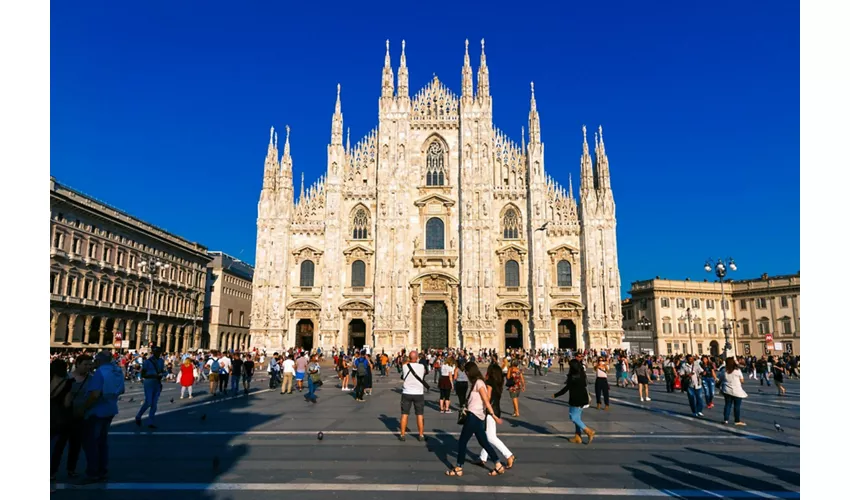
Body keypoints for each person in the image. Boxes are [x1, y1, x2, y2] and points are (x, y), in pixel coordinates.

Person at [445, 362, 506, 477]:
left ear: (470, 372)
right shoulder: (476, 383)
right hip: (477, 417)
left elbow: (486, 400)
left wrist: (493, 415)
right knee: (484, 443)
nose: (466, 374)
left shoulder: (479, 383)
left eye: (467, 372)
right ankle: (498, 464)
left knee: (462, 442)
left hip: (474, 417)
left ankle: (458, 467)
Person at [79, 351, 125, 484]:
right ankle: (102, 470)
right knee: (102, 442)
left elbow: (94, 394)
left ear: (99, 361)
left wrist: (84, 408)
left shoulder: (100, 372)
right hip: (111, 409)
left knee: (91, 443)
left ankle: (92, 472)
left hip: (97, 410)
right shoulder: (117, 370)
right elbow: (122, 390)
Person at [473, 363, 516, 469]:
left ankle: (509, 455)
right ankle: (483, 458)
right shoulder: (498, 383)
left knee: (491, 437)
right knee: (487, 435)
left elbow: (487, 398)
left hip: (490, 411)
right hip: (496, 410)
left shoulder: (489, 383)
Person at [553, 359, 595, 444]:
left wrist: (556, 395)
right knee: (578, 418)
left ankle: (588, 431)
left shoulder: (572, 376)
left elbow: (566, 388)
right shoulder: (582, 373)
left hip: (575, 399)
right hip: (583, 398)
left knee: (573, 417)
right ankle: (577, 437)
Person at [399, 351, 427, 442]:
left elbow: (404, 367)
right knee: (419, 414)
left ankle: (402, 434)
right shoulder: (421, 367)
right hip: (418, 393)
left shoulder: (404, 366)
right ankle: (421, 435)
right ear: (417, 358)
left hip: (406, 393)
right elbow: (424, 373)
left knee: (404, 414)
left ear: (409, 358)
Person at [135, 346, 165, 429]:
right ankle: (138, 416)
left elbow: (161, 371)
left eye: (159, 352)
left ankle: (150, 422)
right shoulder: (148, 362)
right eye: (157, 352)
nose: (158, 354)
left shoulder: (161, 361)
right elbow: (143, 374)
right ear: (153, 352)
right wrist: (154, 375)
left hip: (157, 382)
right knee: (148, 402)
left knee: (154, 403)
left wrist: (161, 375)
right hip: (149, 382)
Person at [721, 357, 747, 425]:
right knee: (737, 406)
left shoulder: (724, 370)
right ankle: (737, 420)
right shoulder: (737, 370)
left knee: (727, 405)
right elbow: (742, 381)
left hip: (727, 390)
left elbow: (720, 379)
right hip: (737, 391)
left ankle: (726, 420)